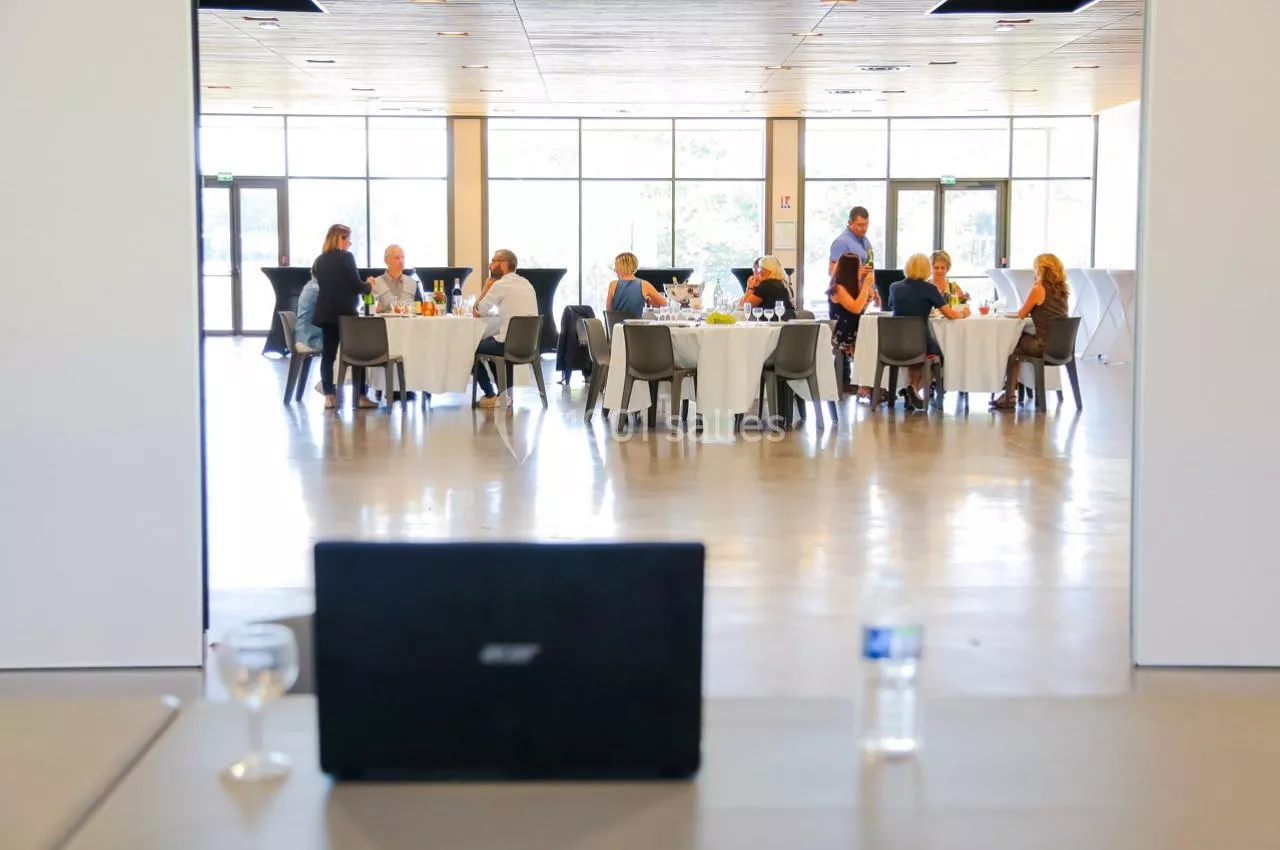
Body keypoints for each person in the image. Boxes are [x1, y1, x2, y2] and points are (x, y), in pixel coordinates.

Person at [887, 252, 969, 411]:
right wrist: (963, 314)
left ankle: (911, 389)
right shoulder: (929, 289)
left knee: (916, 358)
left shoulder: (894, 287)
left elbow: (892, 306)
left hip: (895, 343)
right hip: (920, 342)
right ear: (927, 269)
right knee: (939, 358)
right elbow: (950, 314)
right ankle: (913, 389)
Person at [990, 253, 1070, 411]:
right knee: (1019, 341)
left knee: (1012, 344)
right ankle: (1016, 389)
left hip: (1043, 345)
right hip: (1062, 346)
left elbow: (1021, 314)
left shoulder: (1038, 289)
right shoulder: (1062, 291)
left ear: (1040, 269)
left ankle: (1009, 394)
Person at [311, 224, 374, 410]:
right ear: (340, 238)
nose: (349, 244)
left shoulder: (319, 261)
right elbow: (355, 286)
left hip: (326, 314)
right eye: (348, 240)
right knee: (358, 355)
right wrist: (369, 285)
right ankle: (360, 396)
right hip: (346, 315)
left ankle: (329, 397)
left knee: (328, 356)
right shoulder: (346, 257)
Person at [472, 248, 538, 409]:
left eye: (493, 261)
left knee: (470, 347)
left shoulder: (501, 285)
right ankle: (504, 396)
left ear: (503, 264)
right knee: (492, 343)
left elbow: (478, 311)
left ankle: (490, 395)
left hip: (508, 345)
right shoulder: (526, 283)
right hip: (529, 346)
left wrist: (486, 287)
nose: (490, 265)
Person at [828, 252, 878, 397]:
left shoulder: (853, 287)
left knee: (876, 339)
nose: (862, 269)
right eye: (859, 267)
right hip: (843, 332)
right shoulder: (838, 289)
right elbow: (855, 308)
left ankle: (872, 383)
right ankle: (866, 384)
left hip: (854, 328)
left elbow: (859, 310)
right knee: (869, 342)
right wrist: (866, 285)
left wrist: (867, 298)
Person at [605, 252, 667, 318]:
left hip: (616, 324)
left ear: (621, 267)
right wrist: (648, 301)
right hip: (636, 324)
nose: (615, 270)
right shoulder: (644, 285)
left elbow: (608, 312)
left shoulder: (613, 285)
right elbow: (664, 304)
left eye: (616, 267)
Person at [829, 206, 876, 290]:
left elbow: (869, 268)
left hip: (865, 293)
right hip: (849, 294)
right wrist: (857, 274)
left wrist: (873, 290)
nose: (864, 229)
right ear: (850, 223)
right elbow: (832, 272)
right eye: (860, 225)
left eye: (866, 224)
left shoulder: (865, 240)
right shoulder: (841, 242)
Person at [739, 255, 796, 320]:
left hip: (771, 324)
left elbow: (744, 307)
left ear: (769, 269)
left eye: (761, 268)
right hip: (788, 323)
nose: (759, 272)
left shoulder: (766, 285)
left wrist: (750, 287)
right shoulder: (785, 284)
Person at [371, 245, 420, 312]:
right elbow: (367, 311)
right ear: (386, 260)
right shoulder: (375, 283)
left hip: (407, 318)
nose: (401, 261)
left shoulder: (412, 283)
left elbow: (419, 309)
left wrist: (412, 309)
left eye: (402, 257)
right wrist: (374, 310)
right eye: (397, 258)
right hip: (384, 319)